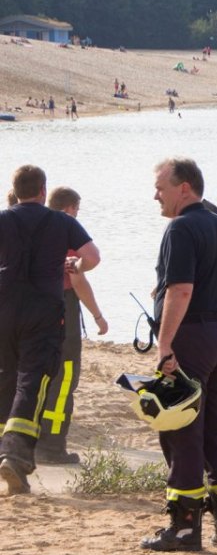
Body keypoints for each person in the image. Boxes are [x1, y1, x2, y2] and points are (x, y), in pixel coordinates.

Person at [142, 157, 217, 551]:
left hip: (194, 335)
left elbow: (180, 290)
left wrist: (166, 344)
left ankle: (185, 527)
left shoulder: (181, 228)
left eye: (160, 187)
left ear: (184, 187)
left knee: (181, 425)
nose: (156, 194)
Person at [0, 166, 100, 494]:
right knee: (33, 380)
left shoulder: (3, 219)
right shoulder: (62, 221)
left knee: (5, 378)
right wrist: (75, 266)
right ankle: (15, 455)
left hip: (5, 308)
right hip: (43, 312)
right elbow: (92, 257)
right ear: (43, 190)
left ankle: (6, 452)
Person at [37, 187, 109, 464]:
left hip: (29, 308)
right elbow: (78, 277)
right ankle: (51, 447)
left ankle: (21, 443)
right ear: (69, 209)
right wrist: (98, 315)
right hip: (61, 306)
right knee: (64, 378)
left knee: (31, 375)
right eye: (76, 210)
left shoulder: (34, 227)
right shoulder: (66, 229)